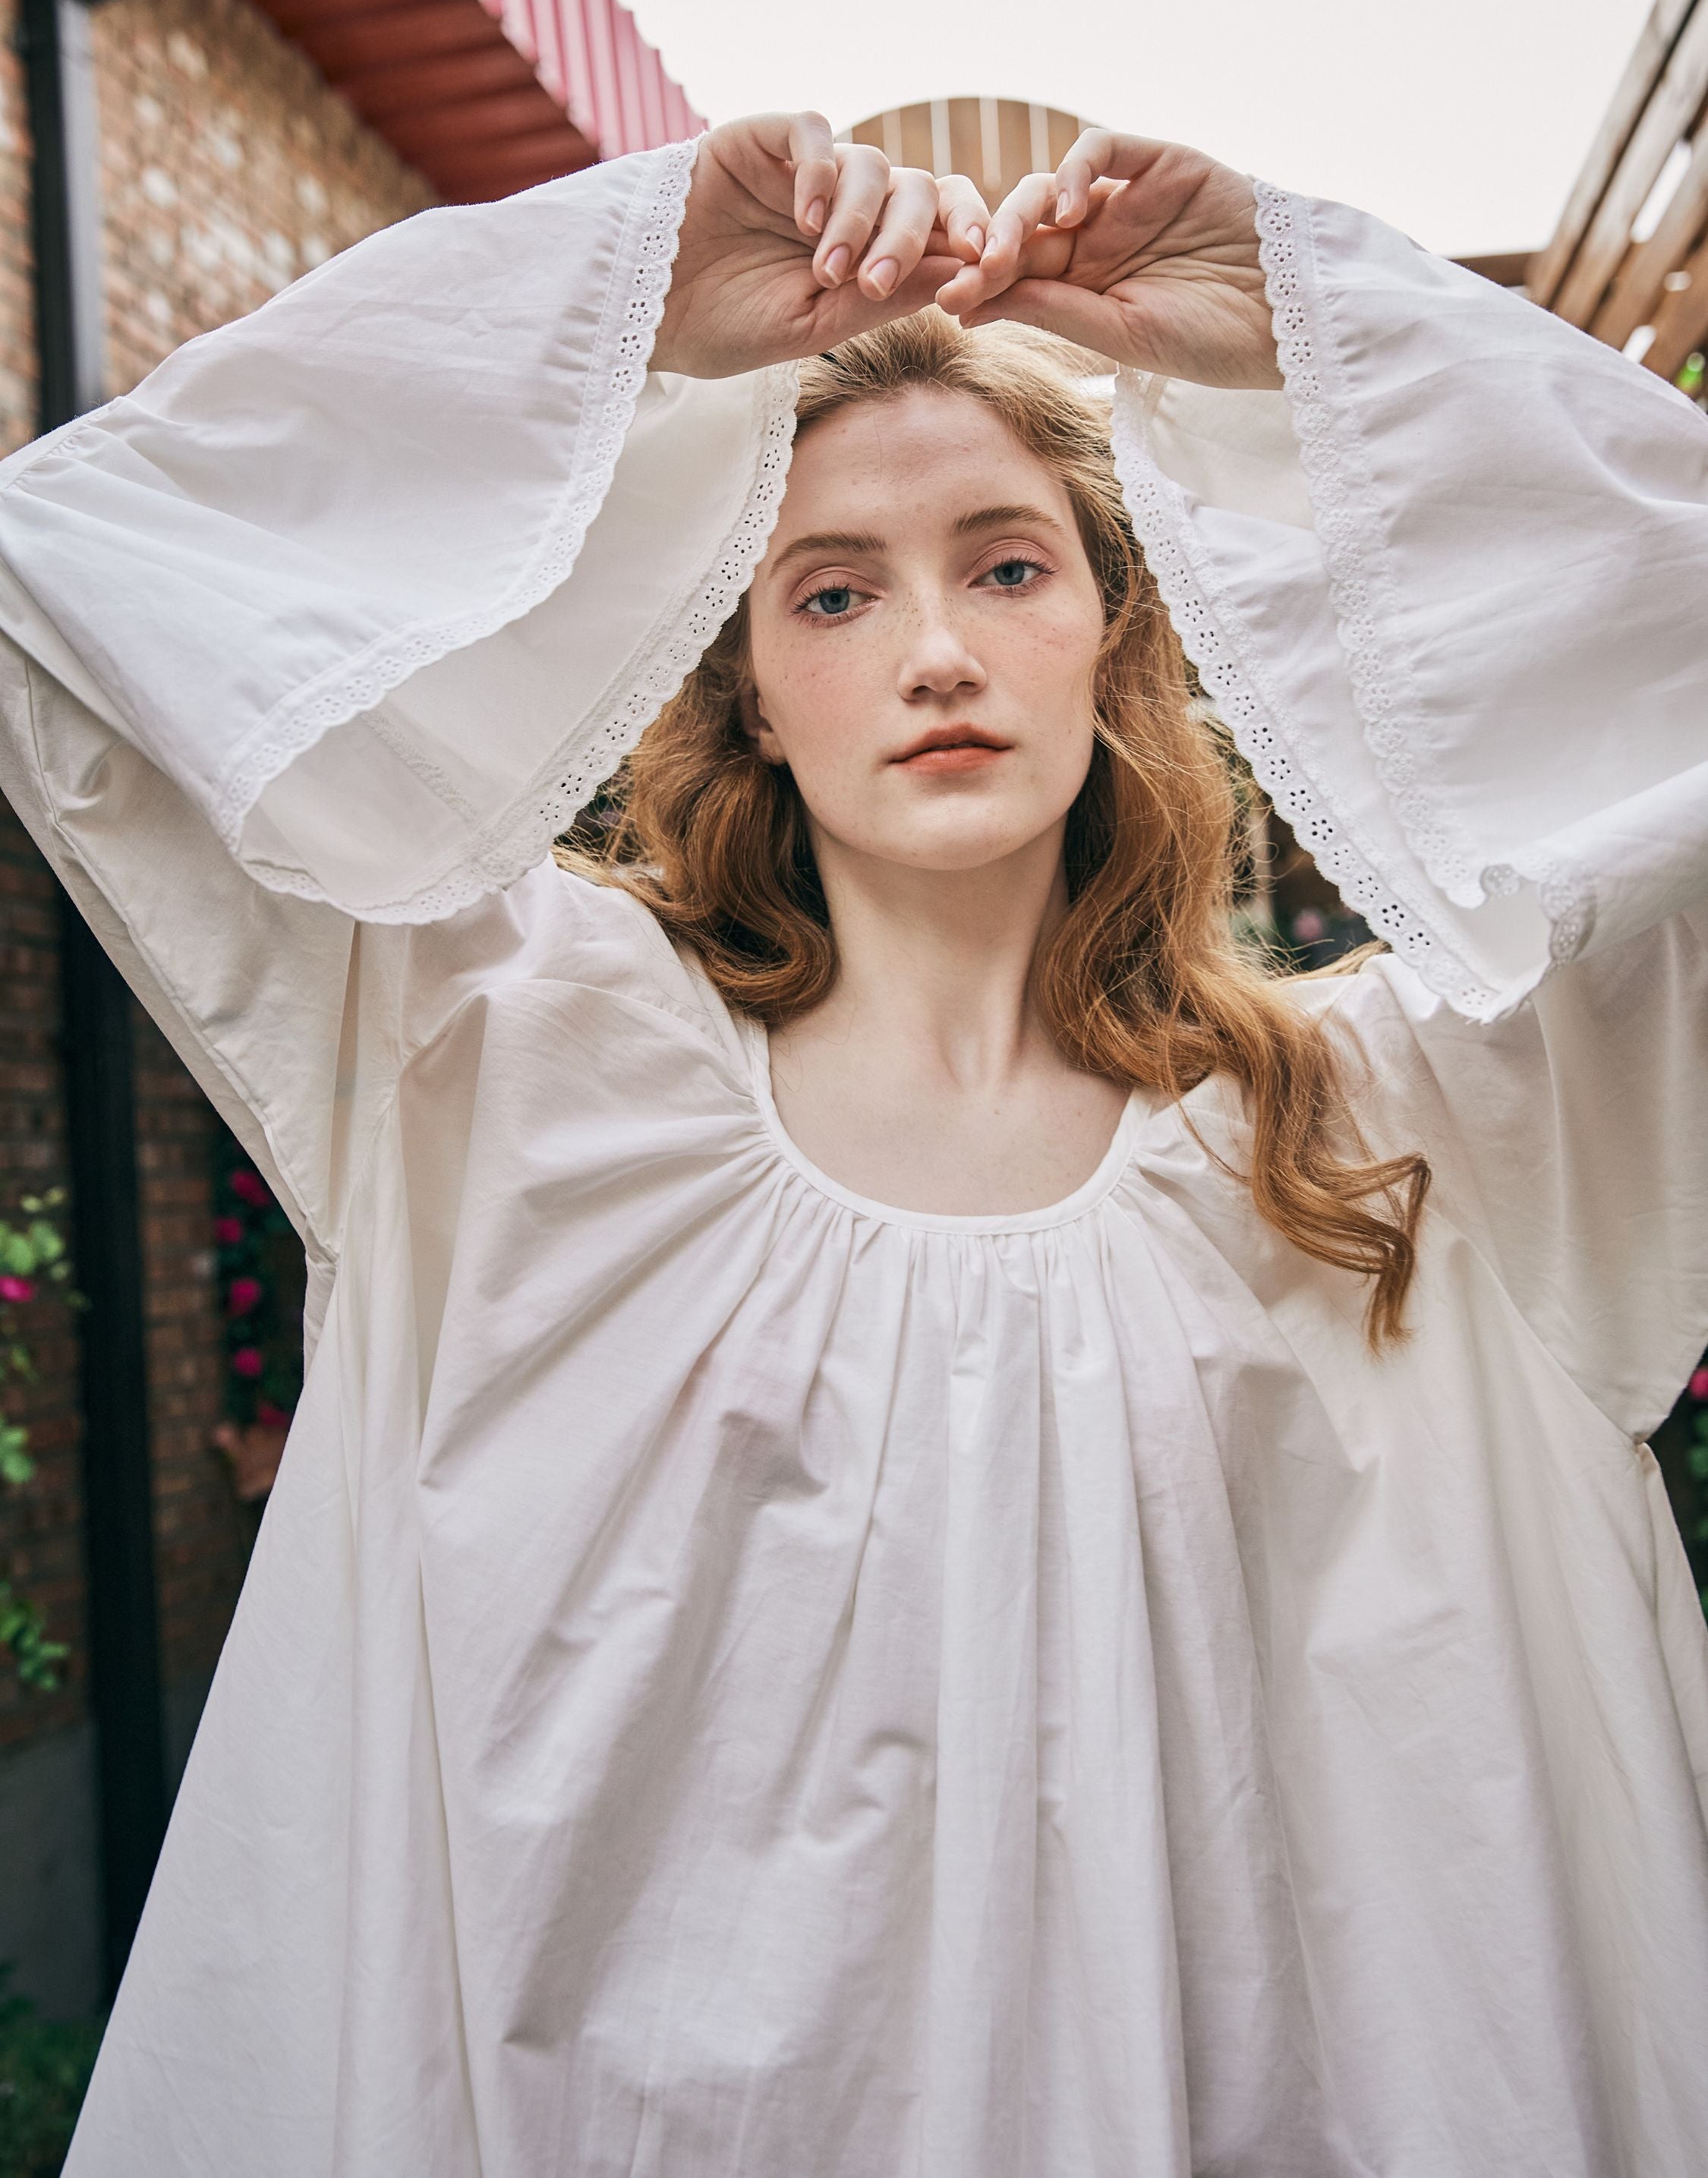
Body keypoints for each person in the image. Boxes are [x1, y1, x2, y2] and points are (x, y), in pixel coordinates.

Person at [0, 107, 1703, 2176]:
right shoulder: (512, 1069)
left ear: (1113, 637)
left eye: (1005, 564)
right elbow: (67, 594)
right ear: (742, 689)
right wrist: (632, 315)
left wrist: (1304, 333)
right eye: (829, 592)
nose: (931, 652)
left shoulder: (1409, 1139)